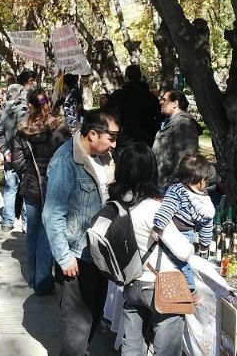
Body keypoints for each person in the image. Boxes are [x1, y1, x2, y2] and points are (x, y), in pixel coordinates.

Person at [43, 109, 119, 355]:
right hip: (76, 256)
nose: (115, 143)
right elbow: (52, 214)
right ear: (93, 134)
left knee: (94, 315)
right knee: (76, 327)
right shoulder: (66, 161)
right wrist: (64, 257)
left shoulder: (103, 157)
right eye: (112, 136)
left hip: (99, 254)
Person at [111, 141, 194, 356]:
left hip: (131, 281)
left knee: (131, 345)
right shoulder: (153, 207)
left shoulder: (115, 204)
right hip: (160, 284)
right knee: (165, 349)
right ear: (150, 169)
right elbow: (183, 251)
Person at [11, 87, 71, 294]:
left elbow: (17, 163)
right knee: (47, 234)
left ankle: (33, 276)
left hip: (31, 186)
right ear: (47, 102)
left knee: (32, 233)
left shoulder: (23, 129)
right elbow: (69, 156)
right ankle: (43, 281)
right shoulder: (60, 127)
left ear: (30, 105)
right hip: (55, 186)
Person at [151, 153, 215, 295]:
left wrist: (158, 227)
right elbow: (207, 225)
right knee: (182, 257)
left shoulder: (177, 191)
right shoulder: (204, 199)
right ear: (201, 180)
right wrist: (204, 245)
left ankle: (190, 286)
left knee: (176, 259)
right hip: (190, 234)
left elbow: (166, 208)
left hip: (176, 233)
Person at [0, 70, 36, 231]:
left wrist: (5, 151)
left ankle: (7, 222)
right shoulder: (31, 113)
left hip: (11, 156)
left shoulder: (7, 110)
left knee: (11, 189)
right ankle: (25, 223)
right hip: (25, 158)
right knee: (25, 190)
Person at [152, 89, 203, 189]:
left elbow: (185, 160)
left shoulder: (184, 124)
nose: (160, 102)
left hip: (169, 188)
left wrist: (169, 186)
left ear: (175, 103)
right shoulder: (168, 122)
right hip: (159, 183)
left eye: (164, 100)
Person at [106, 64, 163, 146]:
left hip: (125, 140)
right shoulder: (151, 97)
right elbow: (159, 117)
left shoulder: (119, 96)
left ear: (126, 77)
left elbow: (109, 115)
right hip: (147, 140)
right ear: (140, 77)